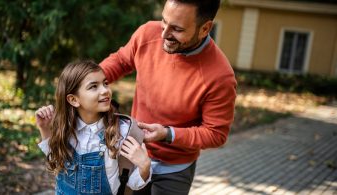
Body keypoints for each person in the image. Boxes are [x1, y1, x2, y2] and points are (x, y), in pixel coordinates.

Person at [99, 0, 237, 194]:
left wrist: (168, 134)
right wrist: (86, 82)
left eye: (177, 29)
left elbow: (216, 134)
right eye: (164, 21)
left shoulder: (220, 76)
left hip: (174, 171)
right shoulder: (147, 33)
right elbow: (121, 61)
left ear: (205, 28)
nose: (163, 34)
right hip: (133, 156)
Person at [35, 60, 152, 195]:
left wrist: (144, 167)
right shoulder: (64, 127)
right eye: (93, 86)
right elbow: (56, 160)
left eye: (105, 83)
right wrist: (44, 129)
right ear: (73, 100)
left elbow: (131, 184)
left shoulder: (122, 131)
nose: (105, 90)